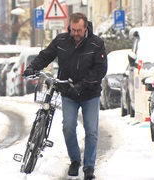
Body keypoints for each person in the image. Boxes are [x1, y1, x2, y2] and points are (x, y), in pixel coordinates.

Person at [23, 12, 107, 180]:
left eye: (79, 30)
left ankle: (89, 167)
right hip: (68, 92)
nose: (75, 34)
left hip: (90, 93)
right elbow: (46, 55)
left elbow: (100, 70)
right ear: (69, 27)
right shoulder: (61, 41)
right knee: (68, 127)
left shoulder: (96, 44)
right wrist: (33, 67)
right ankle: (75, 160)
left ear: (86, 28)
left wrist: (82, 84)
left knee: (91, 131)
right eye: (73, 30)